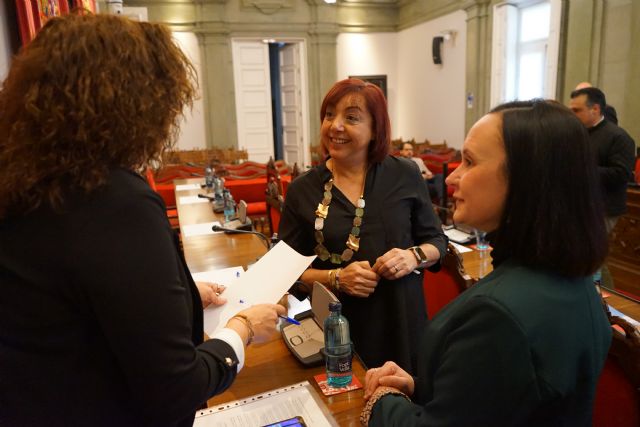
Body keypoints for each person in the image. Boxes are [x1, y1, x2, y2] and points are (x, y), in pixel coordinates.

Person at [0, 14, 285, 427]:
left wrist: (182, 295)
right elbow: (176, 387)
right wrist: (240, 329)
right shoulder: (115, 201)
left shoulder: (24, 181)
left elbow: (78, 297)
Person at [361, 100, 612, 426]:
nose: (452, 178)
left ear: (525, 177)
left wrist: (383, 401)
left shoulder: (499, 315)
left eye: (469, 161)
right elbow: (506, 400)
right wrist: (421, 387)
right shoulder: (574, 280)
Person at [279, 78, 447, 373]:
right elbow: (286, 273)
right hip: (336, 331)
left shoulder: (404, 173)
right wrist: (336, 278)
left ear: (375, 129)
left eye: (351, 118)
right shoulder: (302, 190)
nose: (336, 126)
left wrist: (412, 257)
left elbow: (437, 242)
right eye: (330, 115)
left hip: (402, 323)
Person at [570, 87, 636, 288]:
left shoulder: (618, 137)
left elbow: (622, 174)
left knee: (592, 254)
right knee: (586, 254)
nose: (572, 115)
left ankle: (605, 297)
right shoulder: (578, 134)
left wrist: (583, 169)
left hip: (605, 208)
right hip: (581, 204)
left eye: (577, 110)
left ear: (595, 109)